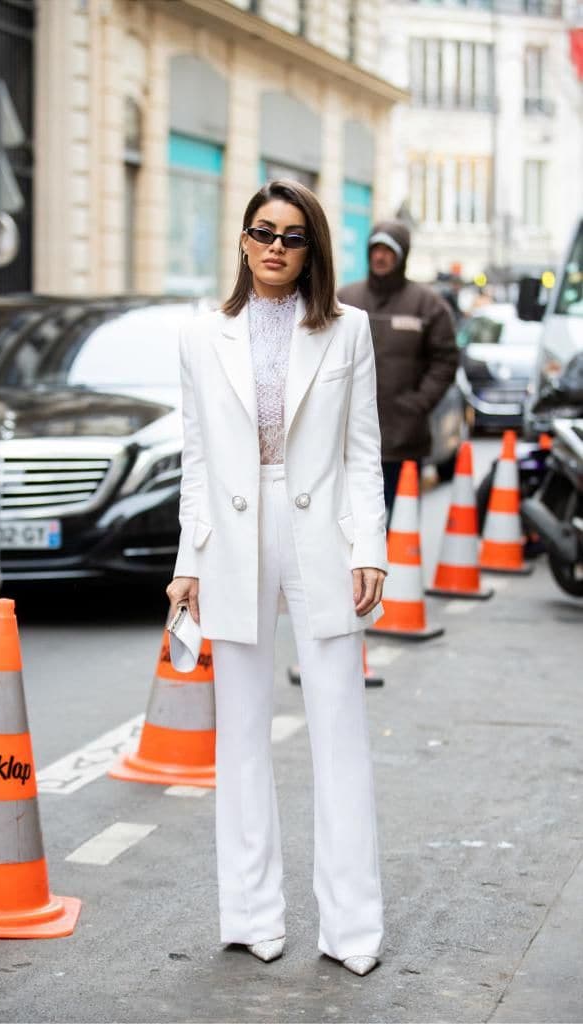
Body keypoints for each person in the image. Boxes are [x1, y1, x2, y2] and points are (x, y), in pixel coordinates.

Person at [166, 180, 388, 977]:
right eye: (262, 232)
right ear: (243, 239)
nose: (274, 247)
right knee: (242, 738)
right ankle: (252, 917)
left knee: (340, 732)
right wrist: (188, 564)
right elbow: (196, 459)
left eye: (292, 237)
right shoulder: (201, 335)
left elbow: (363, 451)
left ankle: (352, 929)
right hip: (231, 534)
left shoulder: (348, 330)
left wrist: (370, 547)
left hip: (321, 531)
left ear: (311, 250)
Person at [338, 221, 459, 511]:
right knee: (350, 525)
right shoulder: (345, 299)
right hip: (348, 439)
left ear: (402, 256)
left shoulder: (427, 305)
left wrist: (418, 403)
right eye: (375, 250)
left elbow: (446, 360)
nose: (380, 257)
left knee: (398, 526)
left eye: (388, 251)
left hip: (403, 441)